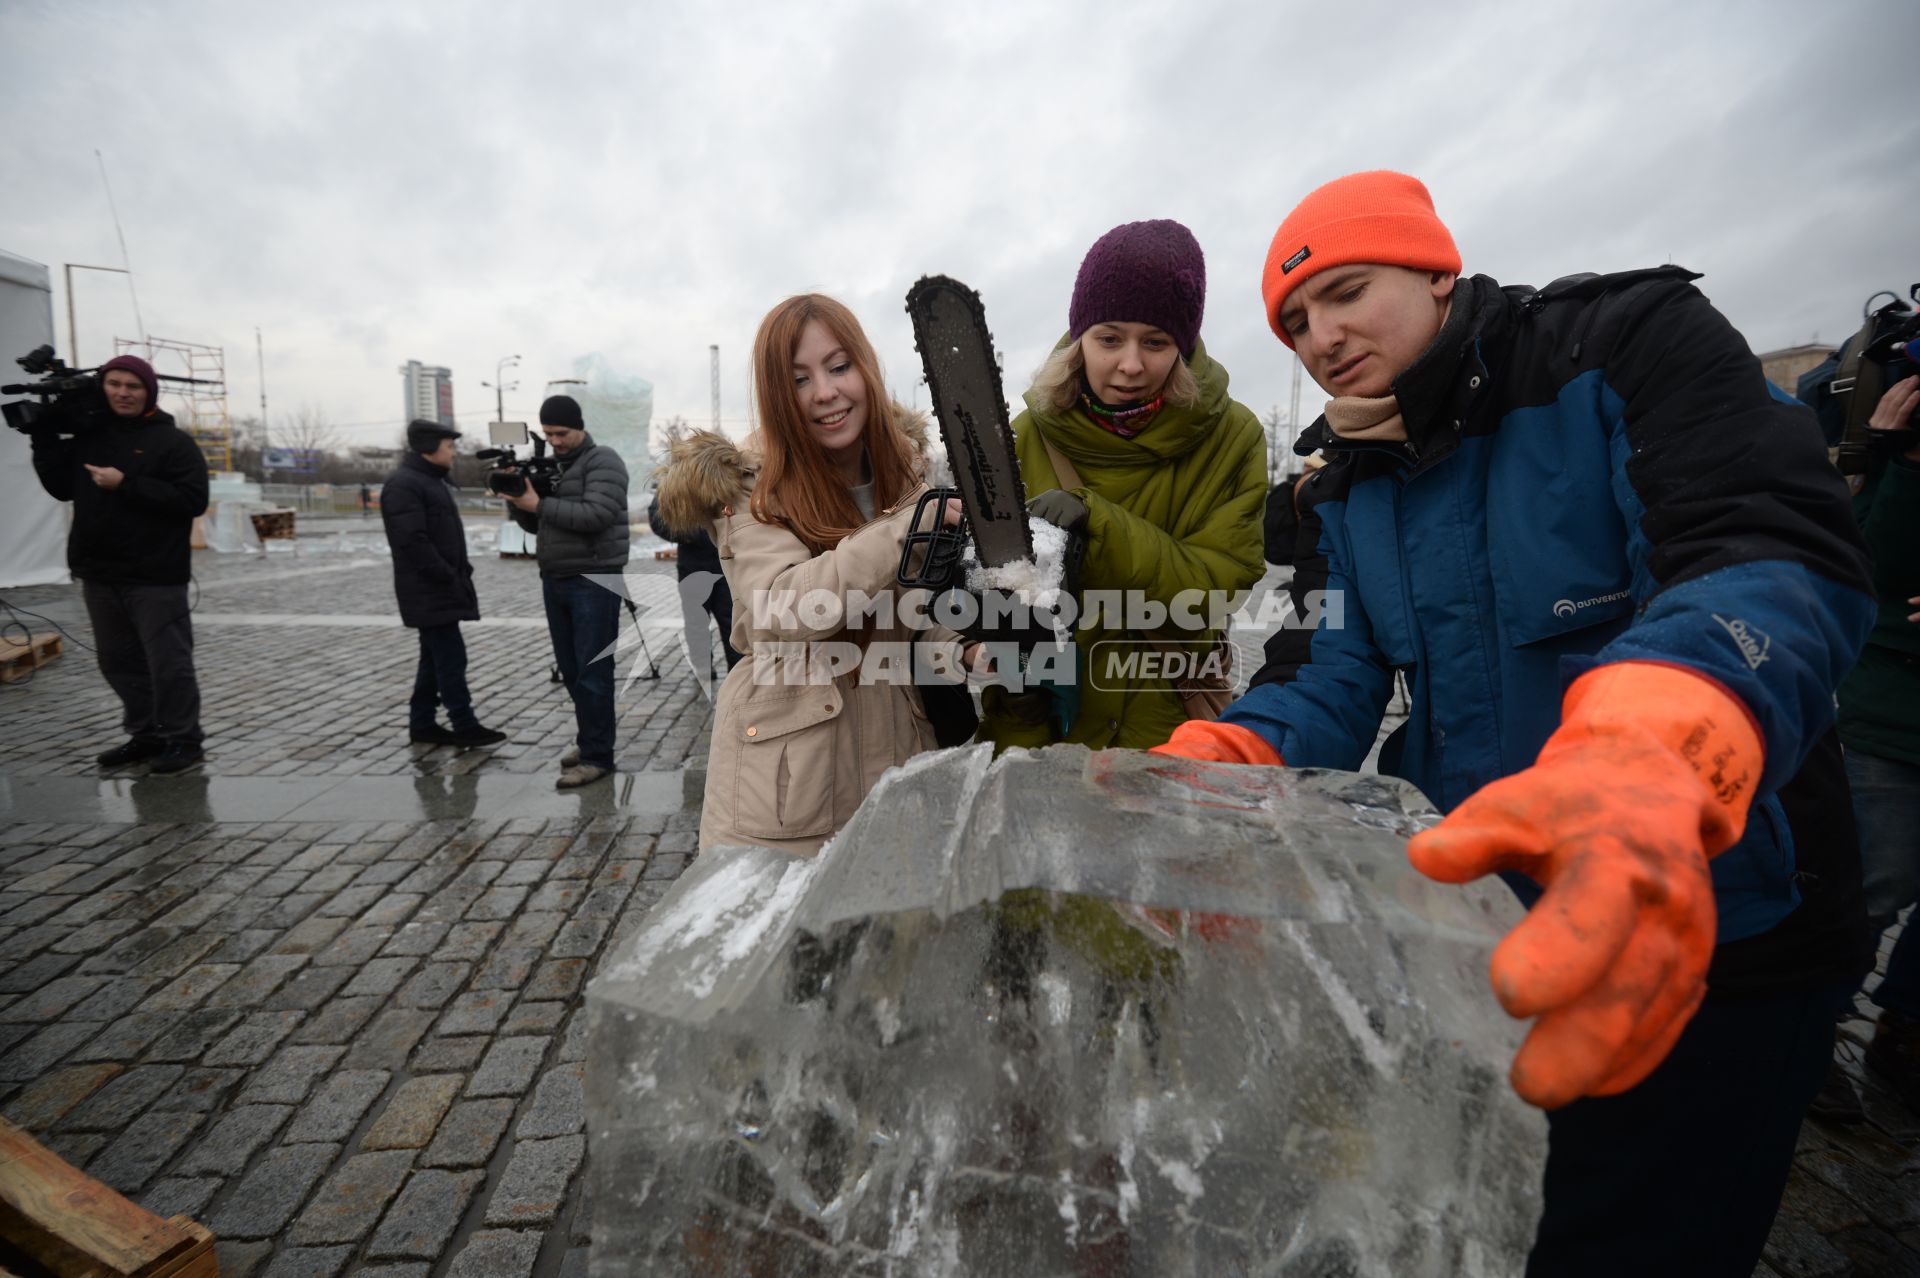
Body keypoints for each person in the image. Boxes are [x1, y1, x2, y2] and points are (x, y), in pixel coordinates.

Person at [1153, 172, 1876, 1275]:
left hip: (1720, 921)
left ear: (1436, 269)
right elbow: (1327, 667)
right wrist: (1232, 752)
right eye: (1295, 323)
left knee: (1652, 1241)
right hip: (1478, 922)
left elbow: (1763, 551)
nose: (1322, 335)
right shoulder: (1339, 489)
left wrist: (1658, 747)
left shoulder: (1622, 346)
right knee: (1489, 1224)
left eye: (1346, 292)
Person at [655, 293, 970, 856]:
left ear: (865, 369)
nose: (825, 392)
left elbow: (909, 619)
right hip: (789, 774)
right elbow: (786, 607)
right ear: (778, 397)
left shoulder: (909, 476)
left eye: (839, 366)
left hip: (899, 743)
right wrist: (902, 529)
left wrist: (968, 651)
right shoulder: (751, 487)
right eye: (799, 380)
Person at [977, 218, 1266, 752]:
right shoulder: (1022, 436)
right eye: (1109, 338)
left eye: (1155, 342)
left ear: (1182, 345)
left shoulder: (1234, 437)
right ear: (1079, 338)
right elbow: (999, 587)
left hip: (1166, 735)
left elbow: (1211, 590)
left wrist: (1099, 524)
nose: (1130, 365)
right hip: (1038, 724)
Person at [29, 354, 210, 773]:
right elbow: (60, 488)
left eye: (133, 386)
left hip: (155, 575)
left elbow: (191, 499)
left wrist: (126, 484)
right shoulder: (90, 438)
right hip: (100, 571)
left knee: (169, 663)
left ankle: (183, 739)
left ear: (148, 392)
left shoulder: (173, 443)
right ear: (103, 387)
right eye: (115, 384)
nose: (123, 393)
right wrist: (41, 438)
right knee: (117, 661)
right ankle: (145, 733)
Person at [1832, 372, 1920, 1113]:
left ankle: (1905, 1027)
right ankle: (1809, 1028)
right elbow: (1871, 558)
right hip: (1896, 707)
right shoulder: (1891, 432)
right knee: (1866, 887)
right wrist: (1897, 458)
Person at [502, 394, 631, 789]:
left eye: (561, 433)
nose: (555, 440)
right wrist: (519, 501)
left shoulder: (603, 460)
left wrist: (538, 504)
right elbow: (538, 526)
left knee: (593, 671)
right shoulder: (555, 465)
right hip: (556, 577)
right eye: (548, 434)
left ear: (579, 427)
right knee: (573, 671)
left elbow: (597, 515)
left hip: (594, 578)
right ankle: (590, 739)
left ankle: (598, 757)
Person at [380, 419, 506, 749]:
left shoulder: (428, 481)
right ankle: (463, 723)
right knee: (450, 658)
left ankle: (421, 722)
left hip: (438, 586)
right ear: (428, 448)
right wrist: (445, 574)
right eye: (449, 446)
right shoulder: (405, 485)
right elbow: (413, 540)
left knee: (433, 658)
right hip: (428, 588)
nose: (453, 453)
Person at [647, 485, 742, 692]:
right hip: (693, 565)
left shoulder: (725, 470)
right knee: (696, 622)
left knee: (732, 621)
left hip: (727, 564)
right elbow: (657, 517)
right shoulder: (674, 476)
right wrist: (690, 534)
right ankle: (702, 668)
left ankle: (738, 672)